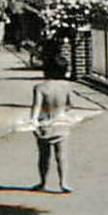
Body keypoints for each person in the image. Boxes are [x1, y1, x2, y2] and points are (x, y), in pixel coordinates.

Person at [29, 55, 77, 192]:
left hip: (45, 124)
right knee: (61, 155)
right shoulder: (67, 87)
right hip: (61, 122)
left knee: (44, 156)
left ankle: (43, 182)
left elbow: (36, 106)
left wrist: (33, 123)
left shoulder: (40, 87)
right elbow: (69, 105)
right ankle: (64, 182)